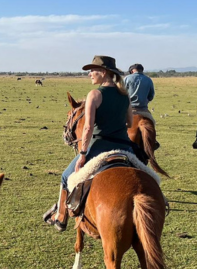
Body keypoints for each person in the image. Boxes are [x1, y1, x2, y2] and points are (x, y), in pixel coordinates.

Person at [43, 55, 133, 231]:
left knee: (65, 176)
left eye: (93, 70)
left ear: (104, 72)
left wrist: (83, 154)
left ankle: (61, 218)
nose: (90, 74)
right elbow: (129, 123)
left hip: (100, 148)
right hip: (125, 148)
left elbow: (88, 127)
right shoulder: (125, 95)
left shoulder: (95, 94)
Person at [124, 63, 159, 149]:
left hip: (128, 109)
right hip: (143, 110)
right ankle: (153, 141)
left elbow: (121, 94)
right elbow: (151, 96)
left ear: (132, 71)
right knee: (152, 122)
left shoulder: (127, 79)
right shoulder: (148, 80)